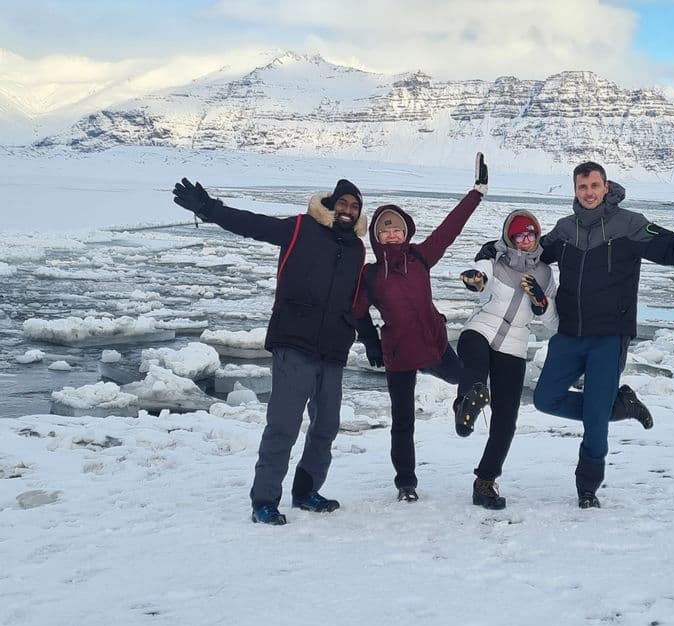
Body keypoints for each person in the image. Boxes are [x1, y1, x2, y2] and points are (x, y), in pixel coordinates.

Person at [534, 161, 674, 509]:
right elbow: (532, 251)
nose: (589, 193)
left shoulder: (630, 224)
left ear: (606, 187)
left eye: (595, 186)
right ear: (575, 190)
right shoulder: (565, 229)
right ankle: (621, 405)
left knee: (595, 422)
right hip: (569, 333)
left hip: (609, 336)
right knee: (544, 399)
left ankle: (587, 488)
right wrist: (496, 248)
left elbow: (672, 249)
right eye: (583, 187)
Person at [172, 176, 367, 525]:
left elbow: (355, 301)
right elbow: (253, 225)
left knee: (326, 426)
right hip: (294, 340)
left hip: (333, 349)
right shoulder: (300, 229)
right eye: (343, 203)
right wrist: (209, 209)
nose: (348, 210)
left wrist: (369, 338)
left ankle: (306, 491)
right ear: (331, 204)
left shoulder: (356, 249)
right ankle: (264, 500)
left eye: (354, 206)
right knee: (284, 425)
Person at [355, 153, 488, 503]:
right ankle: (406, 483)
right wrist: (370, 341)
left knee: (472, 380)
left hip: (433, 345)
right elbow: (356, 312)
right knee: (403, 423)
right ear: (377, 236)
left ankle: (462, 411)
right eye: (385, 228)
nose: (392, 232)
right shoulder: (370, 274)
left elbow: (449, 229)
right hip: (398, 354)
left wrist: (476, 193)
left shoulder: (420, 257)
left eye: (397, 227)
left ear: (406, 230)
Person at [454, 210, 558, 510]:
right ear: (509, 238)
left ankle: (484, 482)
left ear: (537, 236)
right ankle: (465, 405)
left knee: (506, 419)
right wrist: (474, 280)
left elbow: (553, 322)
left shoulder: (546, 274)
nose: (525, 240)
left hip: (514, 346)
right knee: (474, 362)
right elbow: (479, 278)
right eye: (519, 235)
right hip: (481, 328)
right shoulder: (495, 259)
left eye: (530, 234)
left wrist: (541, 301)